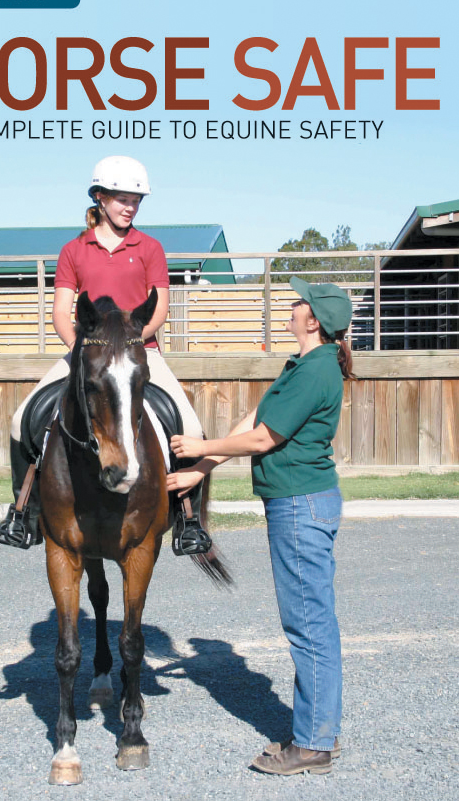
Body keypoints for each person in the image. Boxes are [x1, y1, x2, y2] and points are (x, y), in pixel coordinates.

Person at [166, 276, 354, 775]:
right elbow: (251, 421)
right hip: (297, 504)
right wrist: (199, 471)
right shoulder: (300, 366)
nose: (291, 307)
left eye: (298, 303)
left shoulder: (317, 371)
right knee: (312, 621)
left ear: (313, 319)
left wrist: (200, 448)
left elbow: (265, 439)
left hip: (299, 505)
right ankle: (317, 734)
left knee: (309, 625)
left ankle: (313, 744)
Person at [0, 155, 207, 552]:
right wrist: (85, 353)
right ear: (100, 198)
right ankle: (25, 514)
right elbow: (61, 311)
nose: (130, 207)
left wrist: (129, 345)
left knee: (191, 430)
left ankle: (187, 521)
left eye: (136, 200)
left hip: (139, 352)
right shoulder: (74, 250)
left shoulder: (150, 247)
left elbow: (159, 306)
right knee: (20, 419)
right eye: (123, 198)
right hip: (86, 354)